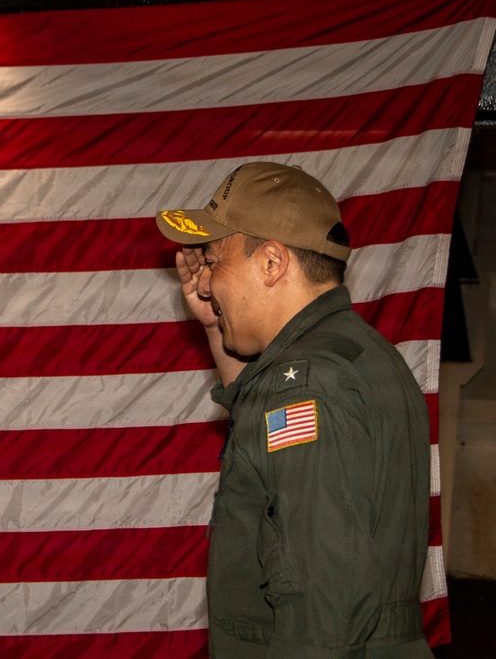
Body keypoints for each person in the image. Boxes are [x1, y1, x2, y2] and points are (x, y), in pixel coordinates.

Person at [156, 162, 433, 658]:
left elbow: (325, 597)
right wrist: (217, 330)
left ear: (272, 262)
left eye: (215, 261)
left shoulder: (309, 385)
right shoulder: (353, 354)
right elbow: (269, 457)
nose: (203, 286)